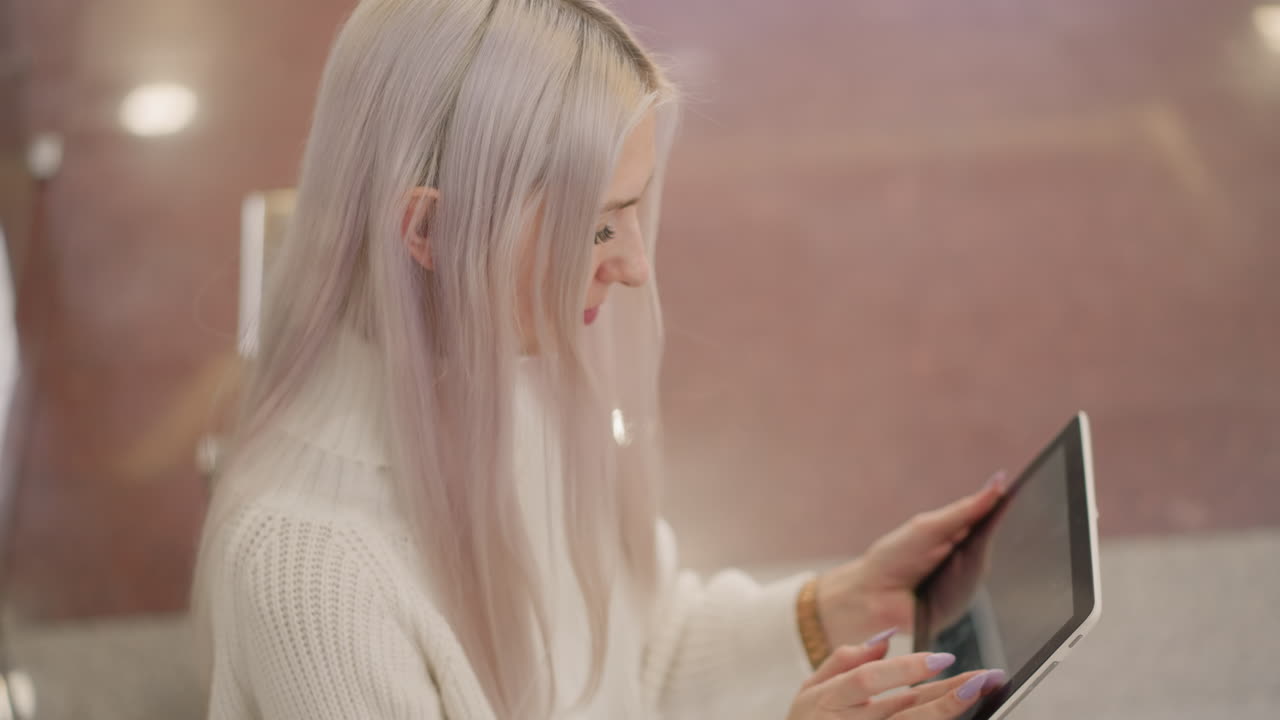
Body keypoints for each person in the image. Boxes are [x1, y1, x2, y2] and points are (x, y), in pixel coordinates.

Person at [191, 1, 1010, 718]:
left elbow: (637, 657)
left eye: (632, 212)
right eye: (597, 224)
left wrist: (835, 605)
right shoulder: (312, 576)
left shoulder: (511, 367)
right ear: (428, 233)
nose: (634, 264)